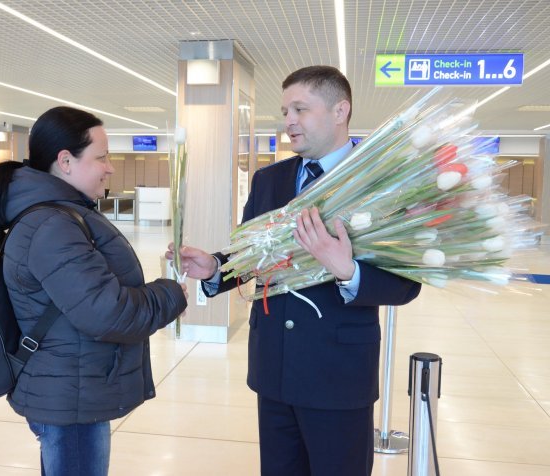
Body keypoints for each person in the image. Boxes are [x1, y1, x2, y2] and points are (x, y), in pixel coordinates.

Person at [167, 66, 421, 476]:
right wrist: (216, 266)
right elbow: (253, 255)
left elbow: (407, 284)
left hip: (338, 375)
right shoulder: (270, 180)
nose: (288, 121)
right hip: (274, 371)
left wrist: (347, 270)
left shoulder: (379, 185)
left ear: (341, 110)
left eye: (300, 109)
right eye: (286, 110)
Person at [0, 106, 187, 476]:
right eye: (101, 157)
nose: (110, 167)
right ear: (65, 161)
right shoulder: (53, 225)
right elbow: (106, 312)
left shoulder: (60, 215)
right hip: (71, 398)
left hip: (72, 387)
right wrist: (171, 295)